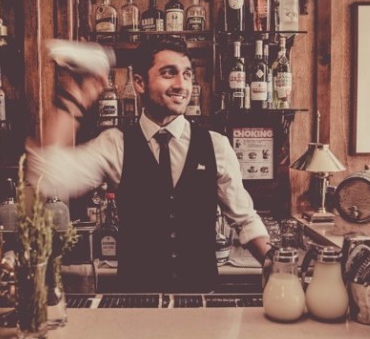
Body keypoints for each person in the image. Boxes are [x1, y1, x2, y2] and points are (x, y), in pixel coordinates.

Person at [26, 37, 269, 292]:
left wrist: (277, 264)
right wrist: (74, 97)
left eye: (187, 75)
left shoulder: (216, 145)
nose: (181, 85)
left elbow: (245, 220)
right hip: (136, 304)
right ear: (140, 83)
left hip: (200, 305)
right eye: (168, 73)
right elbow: (47, 177)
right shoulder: (115, 144)